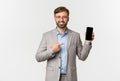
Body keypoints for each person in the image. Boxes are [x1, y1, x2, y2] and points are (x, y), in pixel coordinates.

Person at [35, 6, 94, 81]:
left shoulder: (75, 36)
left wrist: (88, 41)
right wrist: (52, 51)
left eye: (64, 17)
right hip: (52, 77)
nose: (61, 19)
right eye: (58, 17)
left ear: (68, 18)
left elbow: (82, 57)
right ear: (55, 18)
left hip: (70, 77)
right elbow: (38, 57)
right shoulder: (47, 35)